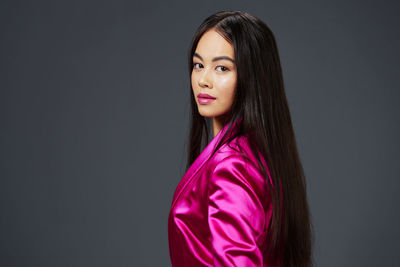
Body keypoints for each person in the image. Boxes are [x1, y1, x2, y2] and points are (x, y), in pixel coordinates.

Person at [168, 10, 313, 267]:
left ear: (251, 77)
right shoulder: (258, 152)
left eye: (222, 67)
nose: (204, 80)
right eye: (198, 65)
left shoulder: (232, 165)